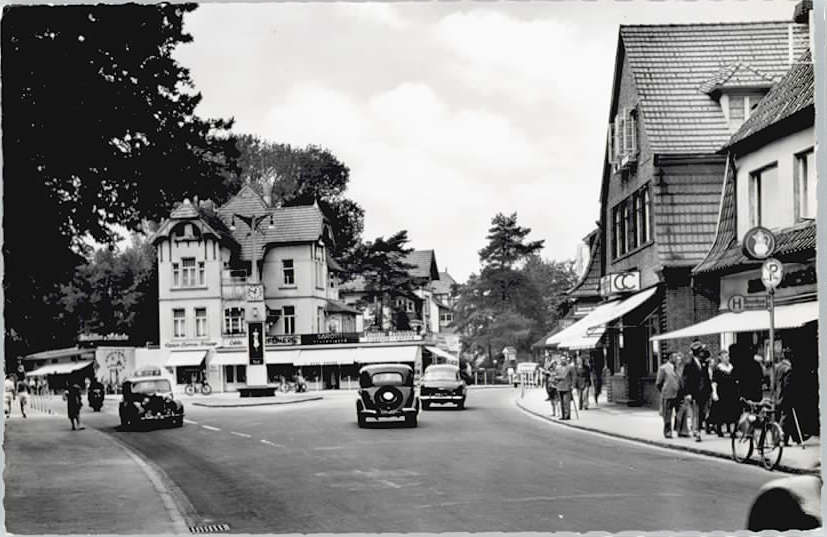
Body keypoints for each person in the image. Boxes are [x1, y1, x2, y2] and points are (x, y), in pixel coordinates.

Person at [709, 349, 737, 437]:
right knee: (720, 412)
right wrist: (714, 393)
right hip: (722, 393)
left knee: (732, 412)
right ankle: (719, 430)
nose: (727, 358)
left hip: (731, 393)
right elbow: (714, 382)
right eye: (725, 357)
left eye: (728, 356)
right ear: (720, 358)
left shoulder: (732, 367)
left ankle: (732, 431)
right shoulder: (718, 369)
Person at [679, 350, 704, 442]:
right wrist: (687, 393)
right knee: (695, 413)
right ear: (697, 353)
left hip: (702, 393)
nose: (702, 353)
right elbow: (685, 380)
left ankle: (696, 429)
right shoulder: (689, 364)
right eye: (700, 351)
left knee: (700, 413)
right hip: (693, 393)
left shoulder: (702, 363)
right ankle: (696, 432)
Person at [656, 353, 680, 438]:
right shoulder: (663, 368)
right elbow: (658, 383)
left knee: (679, 413)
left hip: (678, 394)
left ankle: (679, 431)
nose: (677, 358)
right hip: (668, 394)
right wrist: (664, 391)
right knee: (667, 415)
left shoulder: (678, 368)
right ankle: (668, 432)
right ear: (670, 358)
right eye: (675, 357)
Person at [556, 356, 576, 420]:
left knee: (566, 402)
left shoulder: (570, 367)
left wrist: (573, 385)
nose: (563, 361)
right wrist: (558, 378)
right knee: (561, 402)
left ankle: (567, 415)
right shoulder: (558, 368)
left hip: (567, 386)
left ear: (566, 360)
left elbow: (574, 376)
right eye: (561, 360)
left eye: (564, 359)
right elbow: (555, 376)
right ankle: (563, 415)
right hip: (560, 386)